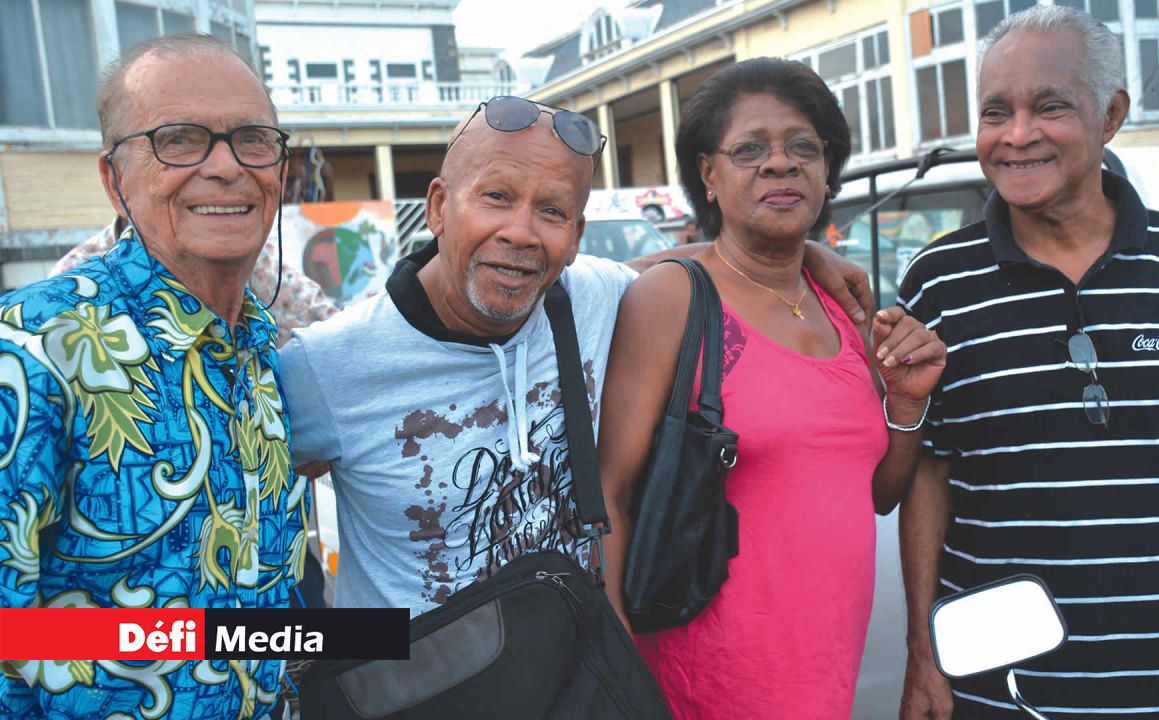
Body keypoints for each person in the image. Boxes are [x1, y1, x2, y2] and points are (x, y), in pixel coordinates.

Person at [278, 95, 876, 619]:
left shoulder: (595, 295)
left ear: (575, 239)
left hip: (572, 682)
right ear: (438, 208)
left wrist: (805, 258)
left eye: (552, 211)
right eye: (496, 197)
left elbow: (708, 266)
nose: (521, 232)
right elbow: (236, 557)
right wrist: (359, 651)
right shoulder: (326, 367)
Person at [896, 7, 1159, 719]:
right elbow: (929, 474)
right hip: (1002, 689)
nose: (1016, 136)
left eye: (1050, 107)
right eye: (995, 112)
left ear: (1111, 115)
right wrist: (923, 651)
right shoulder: (938, 281)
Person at [597, 58, 946, 719]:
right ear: (709, 173)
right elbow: (609, 493)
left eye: (802, 148)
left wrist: (906, 404)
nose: (780, 164)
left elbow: (876, 493)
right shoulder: (673, 297)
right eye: (750, 149)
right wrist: (615, 672)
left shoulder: (842, 304)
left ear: (826, 169)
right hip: (702, 678)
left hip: (821, 669)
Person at [0, 34, 307, 719]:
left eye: (253, 139)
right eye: (181, 139)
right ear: (115, 179)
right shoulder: (31, 348)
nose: (227, 167)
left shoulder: (264, 350)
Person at [52, 216, 339, 344]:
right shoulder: (73, 280)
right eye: (177, 143)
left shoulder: (243, 251)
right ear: (117, 180)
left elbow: (320, 317)